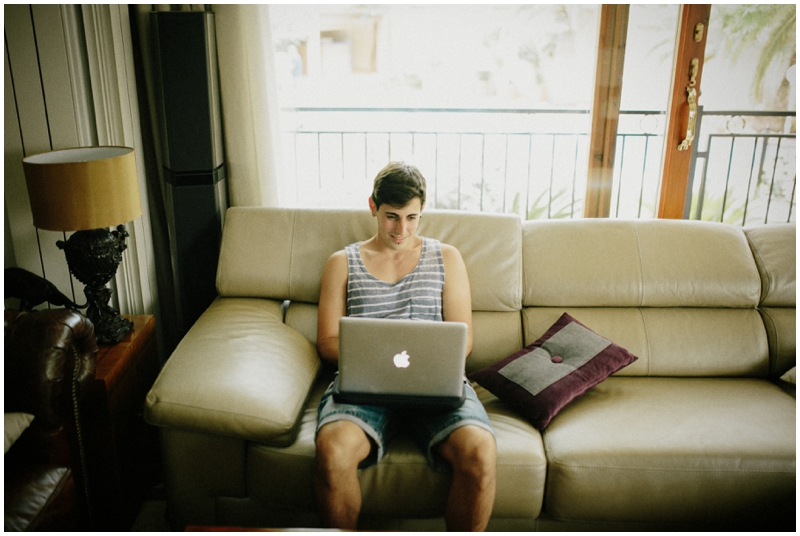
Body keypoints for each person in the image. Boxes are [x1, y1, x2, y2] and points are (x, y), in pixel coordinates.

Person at [314, 161, 497, 531]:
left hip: (435, 385)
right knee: (332, 451)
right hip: (362, 388)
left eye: (412, 218)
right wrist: (375, 359)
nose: (402, 229)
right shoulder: (342, 262)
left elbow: (464, 338)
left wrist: (430, 362)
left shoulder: (447, 257)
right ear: (372, 207)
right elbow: (327, 343)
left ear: (422, 211)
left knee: (480, 451)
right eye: (392, 217)